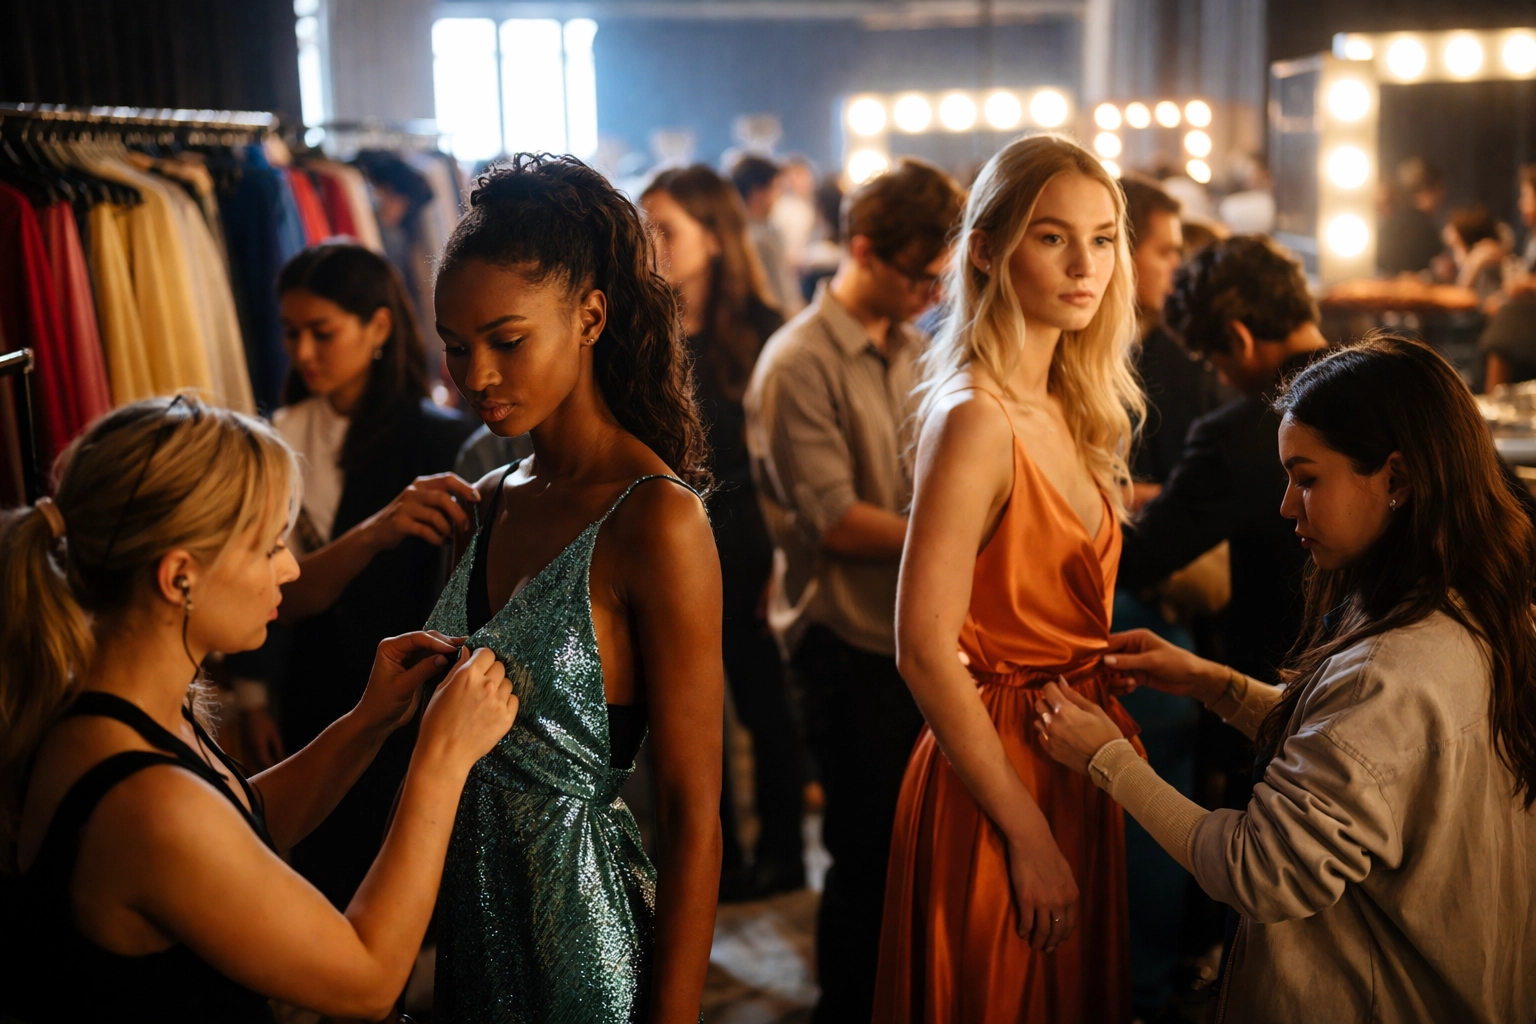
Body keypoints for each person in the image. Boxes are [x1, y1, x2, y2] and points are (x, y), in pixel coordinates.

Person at [1034, 335, 1536, 1024]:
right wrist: (1216, 685)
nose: (1286, 507)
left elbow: (1257, 868)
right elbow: (1364, 771)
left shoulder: (1392, 670)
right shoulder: (1468, 604)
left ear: (1395, 479)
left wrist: (1107, 759)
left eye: (1307, 479)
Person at [0, 395, 517, 1022]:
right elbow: (369, 980)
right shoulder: (148, 805)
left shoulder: (118, 708)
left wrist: (368, 721)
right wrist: (440, 758)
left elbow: (242, 823)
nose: (291, 569)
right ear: (179, 576)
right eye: (270, 545)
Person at [428, 154, 723, 1023]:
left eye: (506, 341)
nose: (476, 373)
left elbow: (693, 810)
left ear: (590, 316)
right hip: (469, 926)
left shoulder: (655, 519)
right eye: (454, 347)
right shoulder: (482, 503)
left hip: (585, 948)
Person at [870, 133, 1142, 1022]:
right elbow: (920, 649)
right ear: (986, 248)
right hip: (996, 771)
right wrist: (1025, 830)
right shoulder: (975, 418)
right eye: (1053, 236)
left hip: (1077, 750)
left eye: (1103, 239)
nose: (1085, 265)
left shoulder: (1076, 403)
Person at [745, 156, 965, 1023]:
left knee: (920, 853)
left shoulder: (917, 346)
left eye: (938, 278)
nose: (928, 293)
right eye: (918, 275)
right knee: (867, 858)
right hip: (847, 640)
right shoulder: (798, 361)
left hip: (917, 633)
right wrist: (957, 538)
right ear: (862, 249)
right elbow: (836, 520)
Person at [225, 242, 477, 910]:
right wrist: (253, 694)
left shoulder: (439, 440)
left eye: (322, 332)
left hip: (402, 694)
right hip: (309, 688)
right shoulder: (278, 431)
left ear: (379, 328)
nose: (303, 352)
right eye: (291, 333)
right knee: (320, 874)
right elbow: (269, 583)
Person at [640, 164, 804, 899]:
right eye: (645, 228)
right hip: (675, 545)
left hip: (750, 544)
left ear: (714, 235)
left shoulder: (765, 333)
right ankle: (721, 856)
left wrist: (785, 556)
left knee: (767, 705)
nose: (653, 244)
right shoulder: (642, 333)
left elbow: (789, 468)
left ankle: (783, 851)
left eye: (667, 229)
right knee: (692, 713)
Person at [1117, 173, 1230, 1019]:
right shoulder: (1115, 357)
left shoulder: (1173, 358)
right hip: (1122, 604)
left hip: (1163, 599)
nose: (1171, 268)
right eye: (1161, 250)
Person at [1120, 235, 1326, 689]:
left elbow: (1138, 558)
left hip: (1287, 687)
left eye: (1213, 360)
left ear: (1238, 337)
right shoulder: (1400, 379)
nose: (1221, 378)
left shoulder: (1238, 435)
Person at [731, 153, 802, 316]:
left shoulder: (767, 230)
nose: (779, 197)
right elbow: (780, 295)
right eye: (776, 188)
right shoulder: (758, 238)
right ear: (757, 193)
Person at [1378, 157, 1445, 275]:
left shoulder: (1392, 222)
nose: (1441, 198)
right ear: (1426, 191)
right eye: (1439, 190)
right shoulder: (1424, 227)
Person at [1442, 203, 1508, 301]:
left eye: (1456, 246)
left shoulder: (1486, 266)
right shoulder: (1475, 264)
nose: (1455, 255)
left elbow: (1461, 305)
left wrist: (1472, 265)